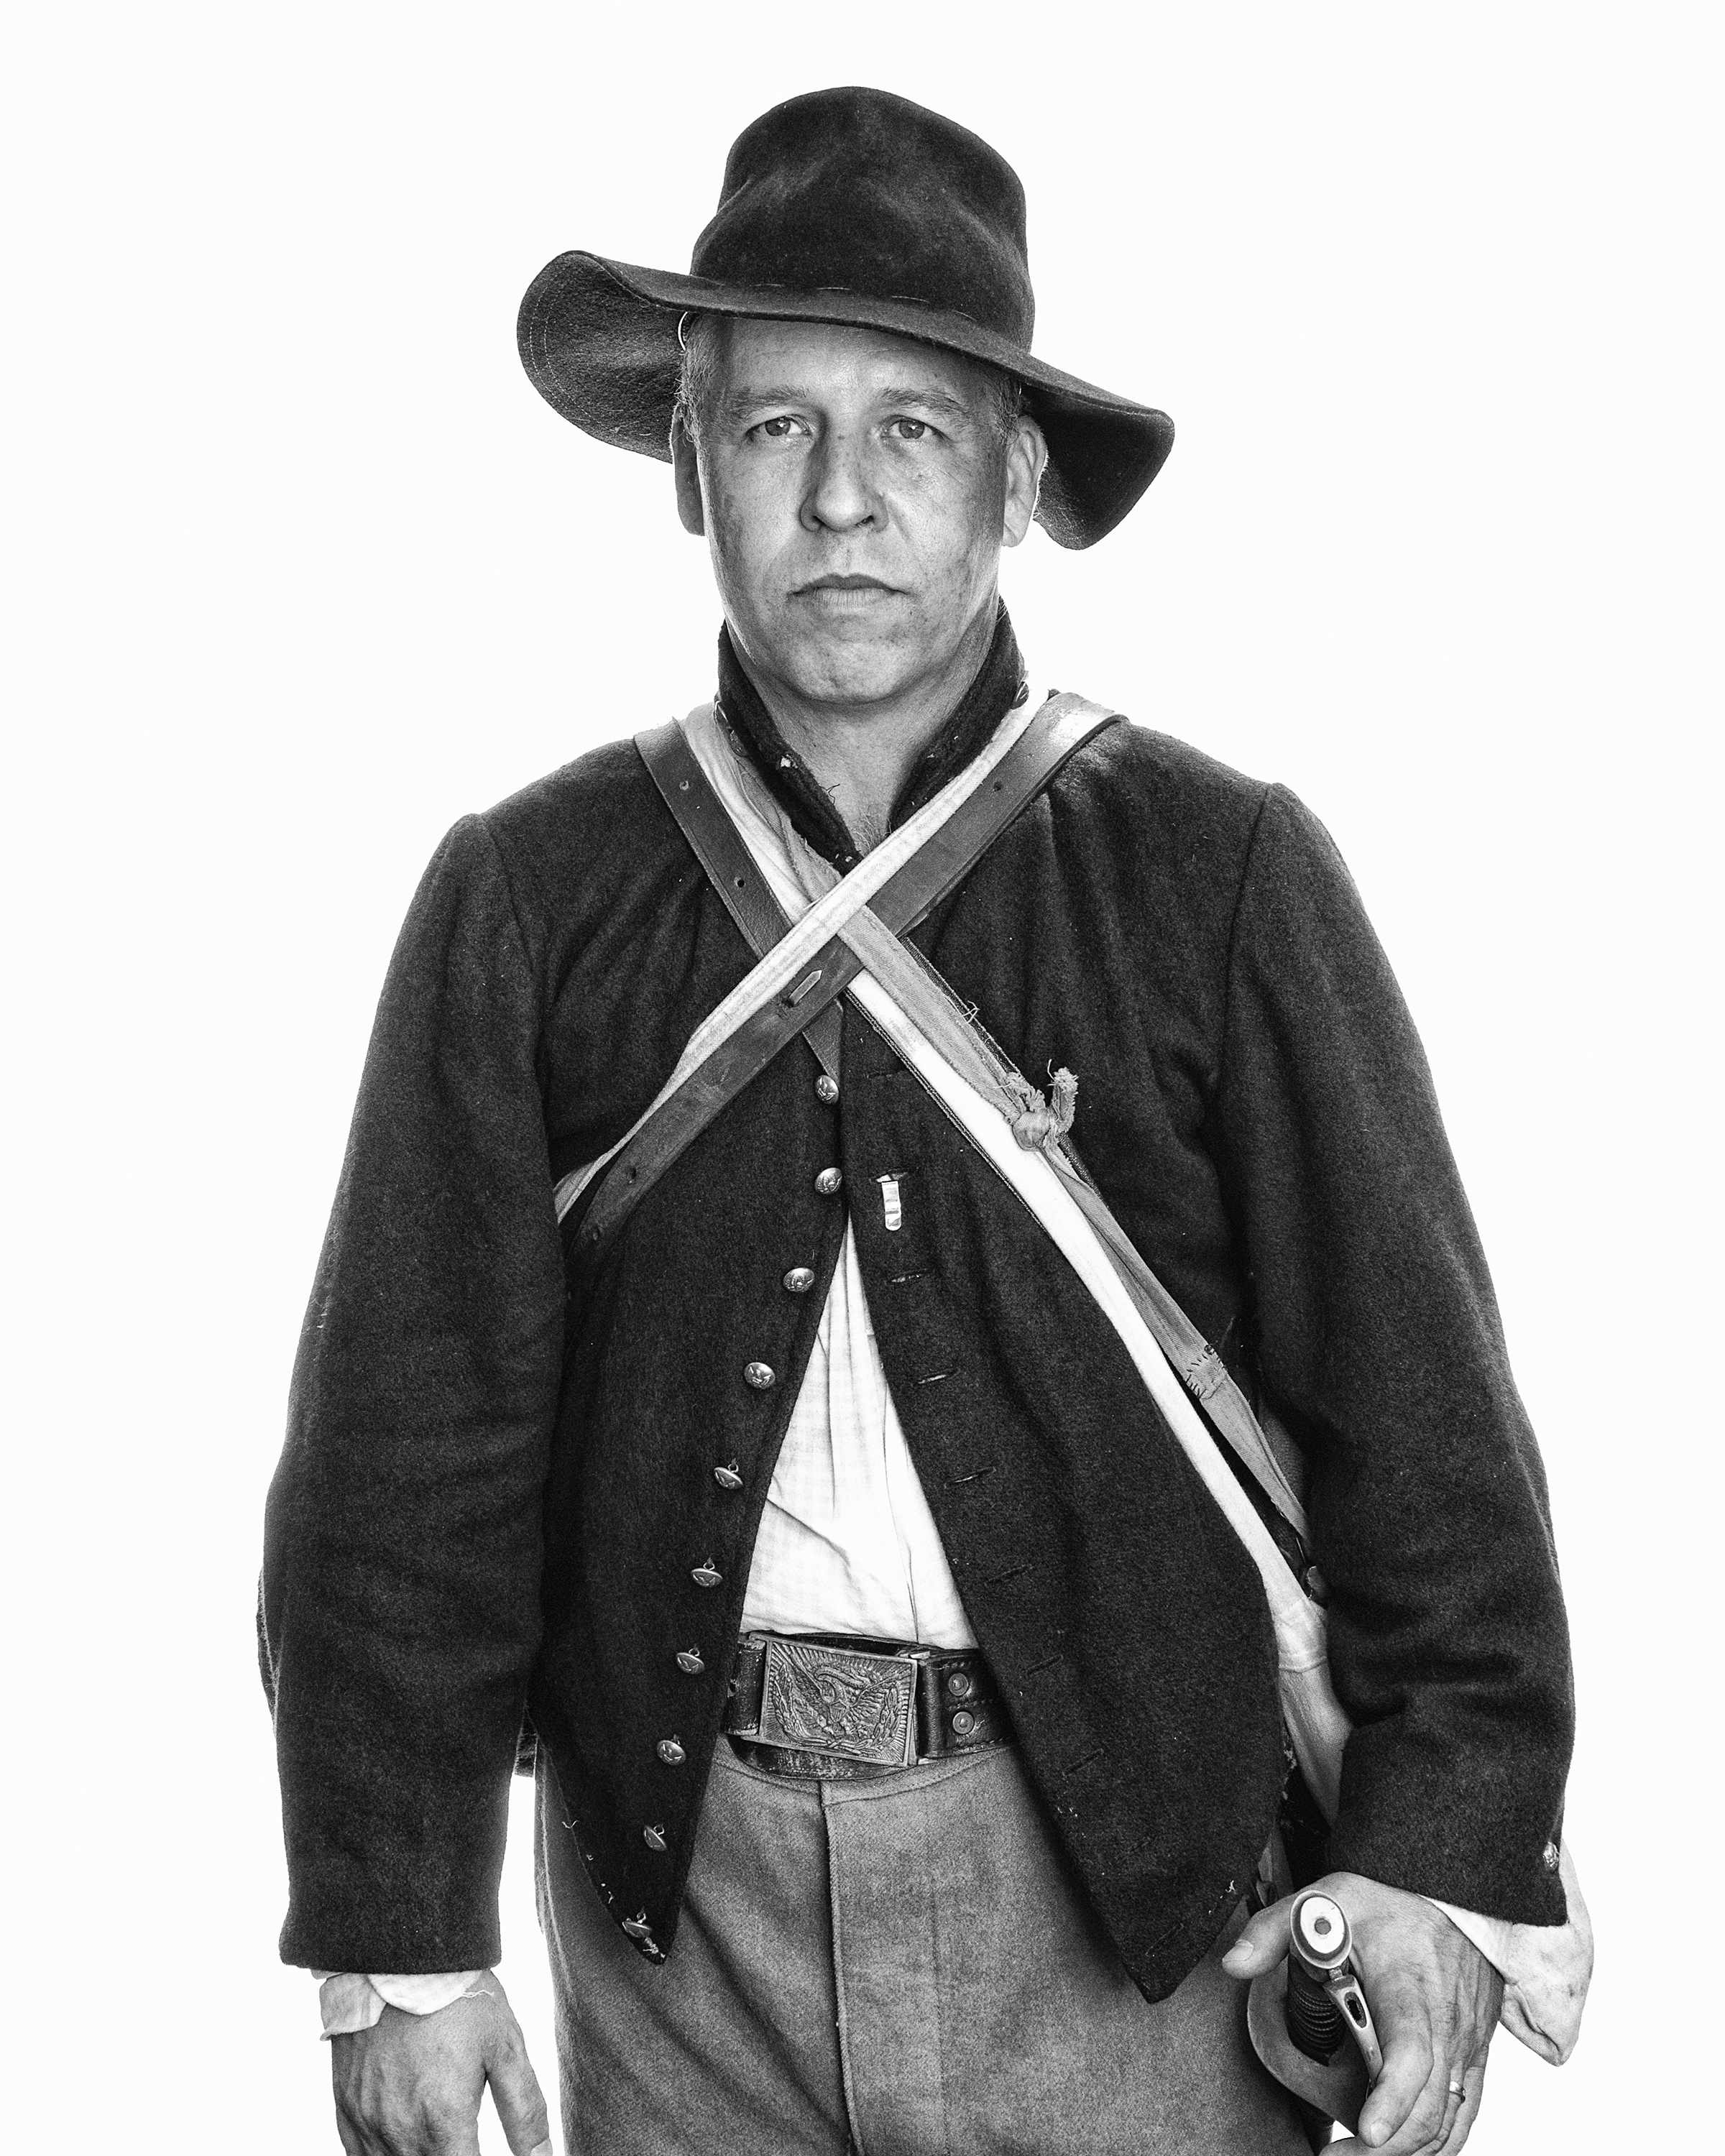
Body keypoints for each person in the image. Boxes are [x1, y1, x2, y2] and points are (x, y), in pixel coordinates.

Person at [260, 86, 1574, 2156]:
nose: (844, 500)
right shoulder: (528, 892)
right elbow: (406, 1461)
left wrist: (1444, 1856)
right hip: (684, 1941)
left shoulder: (1221, 870)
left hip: (1140, 1909)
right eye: (778, 425)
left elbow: (1425, 1431)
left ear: (1018, 476)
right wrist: (400, 1944)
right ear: (687, 465)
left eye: (917, 430)